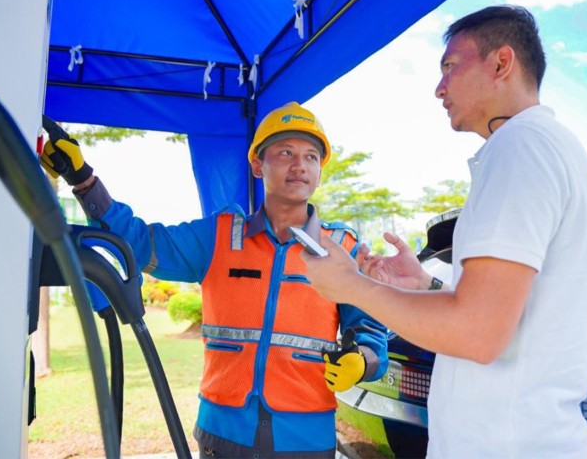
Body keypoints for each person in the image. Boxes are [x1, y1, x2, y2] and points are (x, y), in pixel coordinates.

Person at [302, 6, 587, 458]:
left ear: (502, 63)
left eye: (450, 67)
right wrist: (427, 285)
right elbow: (503, 312)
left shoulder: (522, 148)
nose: (439, 88)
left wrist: (352, 286)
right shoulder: (544, 147)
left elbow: (477, 332)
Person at [40, 101, 388, 459]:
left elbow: (372, 331)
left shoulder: (342, 248)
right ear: (257, 163)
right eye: (286, 152)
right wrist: (84, 181)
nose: (300, 165)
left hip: (306, 440)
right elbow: (140, 244)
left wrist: (362, 361)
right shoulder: (218, 237)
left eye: (311, 156)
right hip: (222, 437)